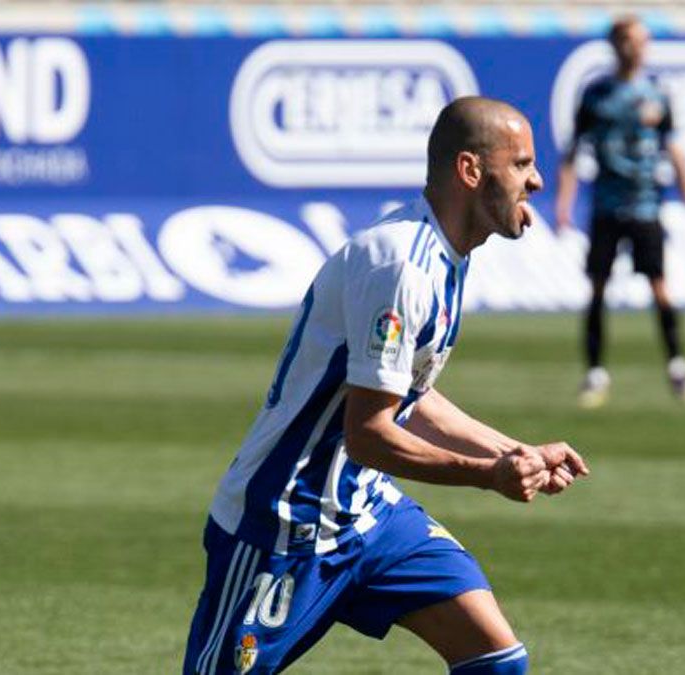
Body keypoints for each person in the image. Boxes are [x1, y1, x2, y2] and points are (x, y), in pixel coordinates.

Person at [182, 97, 589, 675]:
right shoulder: (402, 269)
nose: (539, 180)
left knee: (497, 661)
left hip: (370, 515)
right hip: (283, 525)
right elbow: (371, 434)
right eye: (522, 164)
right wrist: (487, 476)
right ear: (471, 171)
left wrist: (514, 453)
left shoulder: (448, 255)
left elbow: (408, 399)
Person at [555, 14, 685, 409]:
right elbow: (574, 152)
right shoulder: (596, 95)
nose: (636, 47)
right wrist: (563, 203)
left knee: (660, 288)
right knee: (597, 288)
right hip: (606, 207)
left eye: (642, 40)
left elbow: (675, 154)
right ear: (615, 44)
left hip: (646, 207)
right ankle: (594, 375)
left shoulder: (657, 95)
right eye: (629, 40)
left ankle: (677, 367)